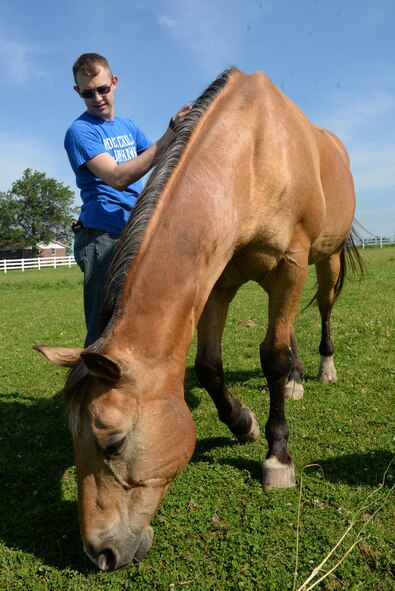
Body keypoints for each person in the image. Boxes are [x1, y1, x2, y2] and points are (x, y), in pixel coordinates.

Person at [64, 53, 191, 347]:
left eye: (102, 89)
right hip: (101, 237)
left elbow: (161, 160)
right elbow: (118, 178)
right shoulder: (80, 132)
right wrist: (167, 135)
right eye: (87, 93)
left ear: (115, 83)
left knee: (134, 318)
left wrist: (184, 134)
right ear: (78, 93)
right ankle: (90, 388)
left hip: (133, 231)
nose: (96, 97)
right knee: (101, 327)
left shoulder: (129, 127)